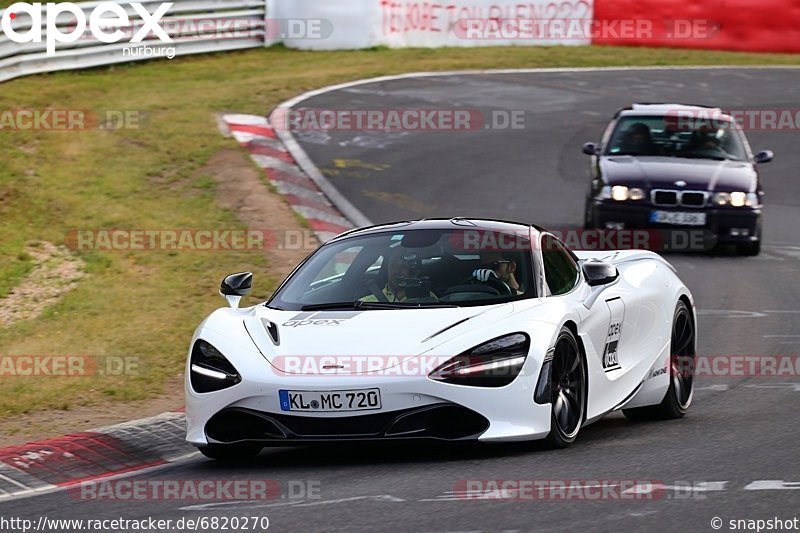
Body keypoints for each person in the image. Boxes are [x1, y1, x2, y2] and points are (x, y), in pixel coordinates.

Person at [361, 249, 436, 302]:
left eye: (403, 266)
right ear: (387, 269)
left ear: (413, 272)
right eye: (393, 265)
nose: (397, 271)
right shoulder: (365, 303)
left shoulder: (427, 298)